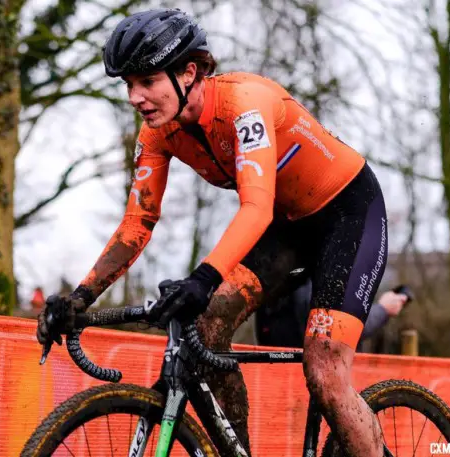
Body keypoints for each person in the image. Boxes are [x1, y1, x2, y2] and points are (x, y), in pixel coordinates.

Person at [37, 9, 389, 457]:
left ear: (189, 71)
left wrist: (203, 278)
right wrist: (80, 297)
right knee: (206, 328)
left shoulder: (245, 104)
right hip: (286, 228)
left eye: (146, 80)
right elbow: (138, 221)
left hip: (346, 214)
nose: (135, 97)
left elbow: (255, 207)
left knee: (323, 366)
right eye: (128, 84)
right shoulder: (158, 133)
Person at [256, 275, 412, 350]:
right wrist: (383, 309)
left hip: (282, 375)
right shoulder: (310, 276)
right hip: (310, 377)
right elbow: (341, 327)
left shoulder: (282, 274)